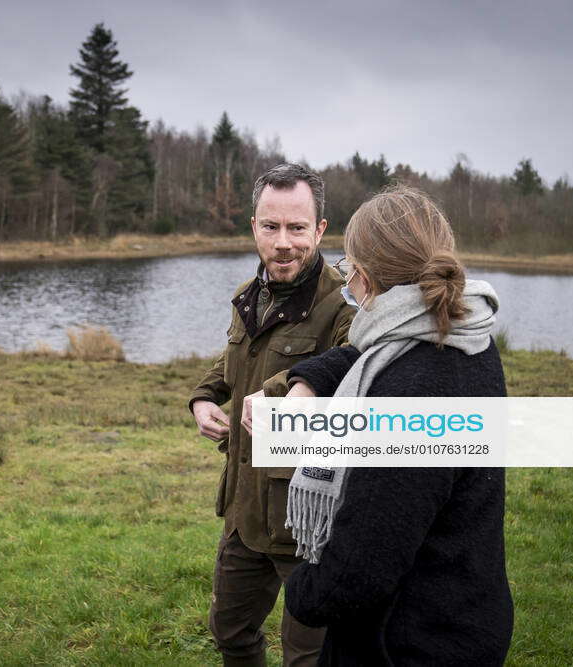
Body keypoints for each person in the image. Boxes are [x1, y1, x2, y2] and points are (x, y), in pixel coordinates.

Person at [269, 185, 514, 665]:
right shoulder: (467, 336)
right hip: (465, 612)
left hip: (408, 642)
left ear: (364, 275)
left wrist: (303, 590)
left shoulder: (414, 391)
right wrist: (308, 381)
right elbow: (366, 354)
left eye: (347, 268)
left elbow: (362, 570)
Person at [189, 163, 355, 666]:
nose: (284, 242)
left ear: (321, 229)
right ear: (254, 226)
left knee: (308, 658)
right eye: (271, 226)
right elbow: (234, 359)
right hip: (243, 513)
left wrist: (284, 391)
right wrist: (202, 397)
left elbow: (351, 371)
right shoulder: (250, 295)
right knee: (231, 634)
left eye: (297, 228)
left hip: (306, 520)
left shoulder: (345, 305)